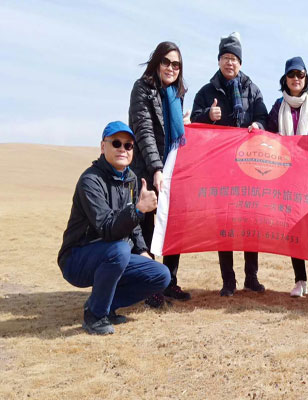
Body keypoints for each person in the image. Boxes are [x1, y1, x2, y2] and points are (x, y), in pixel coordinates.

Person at [57, 121, 171, 335]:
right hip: (78, 258)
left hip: (114, 254)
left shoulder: (131, 180)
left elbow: (133, 227)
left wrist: (143, 251)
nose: (122, 149)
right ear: (103, 147)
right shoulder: (90, 181)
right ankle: (95, 317)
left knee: (161, 275)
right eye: (116, 143)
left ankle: (103, 305)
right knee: (119, 249)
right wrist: (138, 211)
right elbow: (107, 228)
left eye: (128, 146)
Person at [191, 32, 268, 296]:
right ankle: (228, 281)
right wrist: (208, 115)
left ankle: (251, 277)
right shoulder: (206, 91)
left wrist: (258, 125)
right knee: (224, 224)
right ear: (218, 60)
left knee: (250, 223)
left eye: (234, 58)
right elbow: (193, 126)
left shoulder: (253, 89)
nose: (230, 63)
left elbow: (264, 117)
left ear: (241, 63)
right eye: (225, 57)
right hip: (219, 170)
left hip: (248, 168)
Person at [129, 41, 191, 308]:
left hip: (173, 168)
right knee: (146, 227)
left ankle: (169, 281)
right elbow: (143, 132)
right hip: (146, 170)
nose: (171, 68)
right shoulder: (142, 88)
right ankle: (149, 285)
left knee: (172, 226)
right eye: (166, 62)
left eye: (176, 64)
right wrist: (156, 169)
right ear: (156, 62)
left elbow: (176, 134)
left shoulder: (177, 94)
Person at [266, 56, 308, 297]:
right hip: (287, 177)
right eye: (291, 75)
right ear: (285, 78)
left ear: (306, 78)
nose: (296, 79)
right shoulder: (277, 106)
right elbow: (269, 138)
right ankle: (300, 280)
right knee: (293, 228)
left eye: (300, 75)